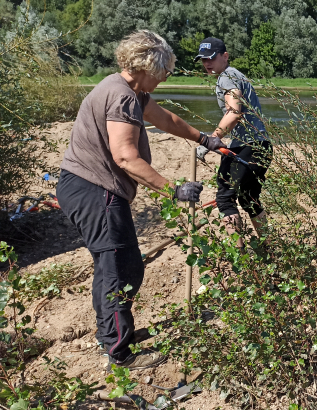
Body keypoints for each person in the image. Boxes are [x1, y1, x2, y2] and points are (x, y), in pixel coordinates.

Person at [56, 30, 225, 370]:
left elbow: (166, 120)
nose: (166, 76)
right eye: (165, 69)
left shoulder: (128, 89)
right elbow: (126, 158)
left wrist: (205, 139)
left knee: (117, 265)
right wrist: (174, 189)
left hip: (85, 186)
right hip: (94, 189)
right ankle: (118, 354)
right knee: (120, 268)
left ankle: (114, 337)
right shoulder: (123, 97)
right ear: (148, 65)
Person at [195, 37, 273, 247]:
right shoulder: (237, 75)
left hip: (246, 147)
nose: (206, 63)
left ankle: (239, 257)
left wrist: (212, 139)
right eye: (203, 60)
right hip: (263, 146)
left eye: (211, 58)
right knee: (249, 198)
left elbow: (234, 112)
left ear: (225, 56)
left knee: (224, 199)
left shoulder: (226, 78)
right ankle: (268, 247)